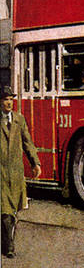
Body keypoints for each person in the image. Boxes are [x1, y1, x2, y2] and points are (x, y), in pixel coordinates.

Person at [0, 86, 41, 259]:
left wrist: (35, 163)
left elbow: (27, 142)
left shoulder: (19, 119)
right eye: (5, 99)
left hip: (16, 173)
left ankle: (6, 240)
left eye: (11, 99)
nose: (9, 102)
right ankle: (8, 246)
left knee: (13, 211)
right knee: (5, 211)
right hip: (0, 172)